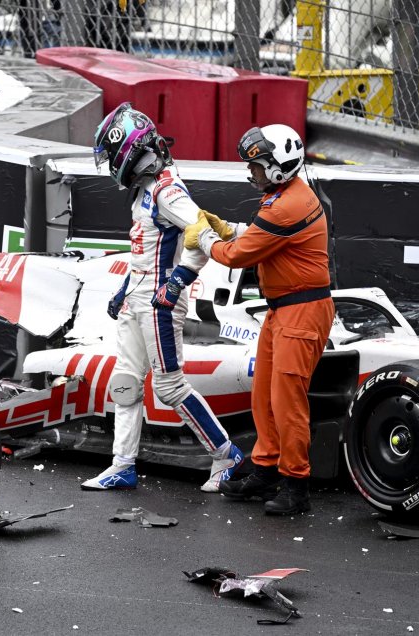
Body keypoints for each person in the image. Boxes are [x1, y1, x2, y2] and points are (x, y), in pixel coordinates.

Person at [80, 102, 244, 493]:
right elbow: (143, 250)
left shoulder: (169, 191)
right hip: (139, 296)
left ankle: (226, 454)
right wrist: (122, 291)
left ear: (129, 153)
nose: (109, 166)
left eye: (112, 156)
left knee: (169, 387)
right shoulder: (147, 188)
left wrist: (177, 283)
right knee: (126, 381)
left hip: (159, 302)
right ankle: (122, 465)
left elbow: (203, 235)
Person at [182, 124, 334, 515]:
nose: (252, 173)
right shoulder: (285, 196)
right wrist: (226, 229)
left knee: (287, 402)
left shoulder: (286, 205)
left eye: (258, 166)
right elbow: (258, 236)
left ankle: (296, 485)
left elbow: (237, 256)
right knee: (264, 394)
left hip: (301, 311)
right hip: (285, 309)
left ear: (279, 167)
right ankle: (266, 468)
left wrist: (203, 238)